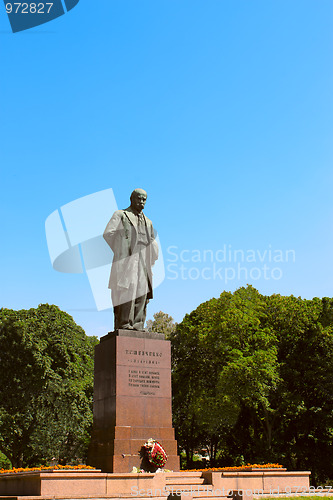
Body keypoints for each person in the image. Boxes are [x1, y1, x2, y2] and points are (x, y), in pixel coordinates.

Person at [103, 188, 159, 331]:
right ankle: (124, 323)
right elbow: (108, 234)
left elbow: (152, 240)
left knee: (142, 291)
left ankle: (138, 324)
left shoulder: (148, 222)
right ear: (132, 199)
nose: (141, 201)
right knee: (128, 289)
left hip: (144, 260)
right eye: (139, 198)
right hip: (127, 259)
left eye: (144, 199)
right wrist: (121, 250)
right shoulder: (121, 215)